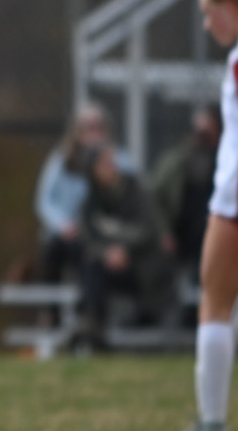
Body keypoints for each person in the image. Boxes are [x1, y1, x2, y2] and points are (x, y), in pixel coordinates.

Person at [168, 0, 238, 431]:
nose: (207, 24)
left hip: (232, 197)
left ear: (230, 9)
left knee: (214, 301)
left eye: (209, 13)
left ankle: (211, 424)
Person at [76, 147, 172, 343]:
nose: (112, 167)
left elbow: (148, 231)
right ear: (93, 171)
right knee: (91, 265)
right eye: (104, 164)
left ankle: (94, 326)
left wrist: (122, 249)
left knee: (95, 268)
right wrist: (107, 252)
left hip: (142, 267)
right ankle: (94, 326)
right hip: (110, 267)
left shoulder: (135, 190)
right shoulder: (90, 202)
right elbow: (87, 239)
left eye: (111, 162)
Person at [35, 104, 133, 282]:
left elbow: (132, 195)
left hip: (105, 235)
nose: (93, 133)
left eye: (98, 127)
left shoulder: (118, 160)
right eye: (88, 127)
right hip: (72, 235)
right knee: (55, 251)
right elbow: (44, 200)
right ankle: (50, 308)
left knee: (96, 259)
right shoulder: (63, 160)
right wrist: (63, 224)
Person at [149, 105, 220, 280]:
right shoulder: (174, 162)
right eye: (199, 133)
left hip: (215, 231)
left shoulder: (226, 164)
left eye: (208, 134)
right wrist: (164, 232)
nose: (201, 139)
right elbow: (153, 198)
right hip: (180, 232)